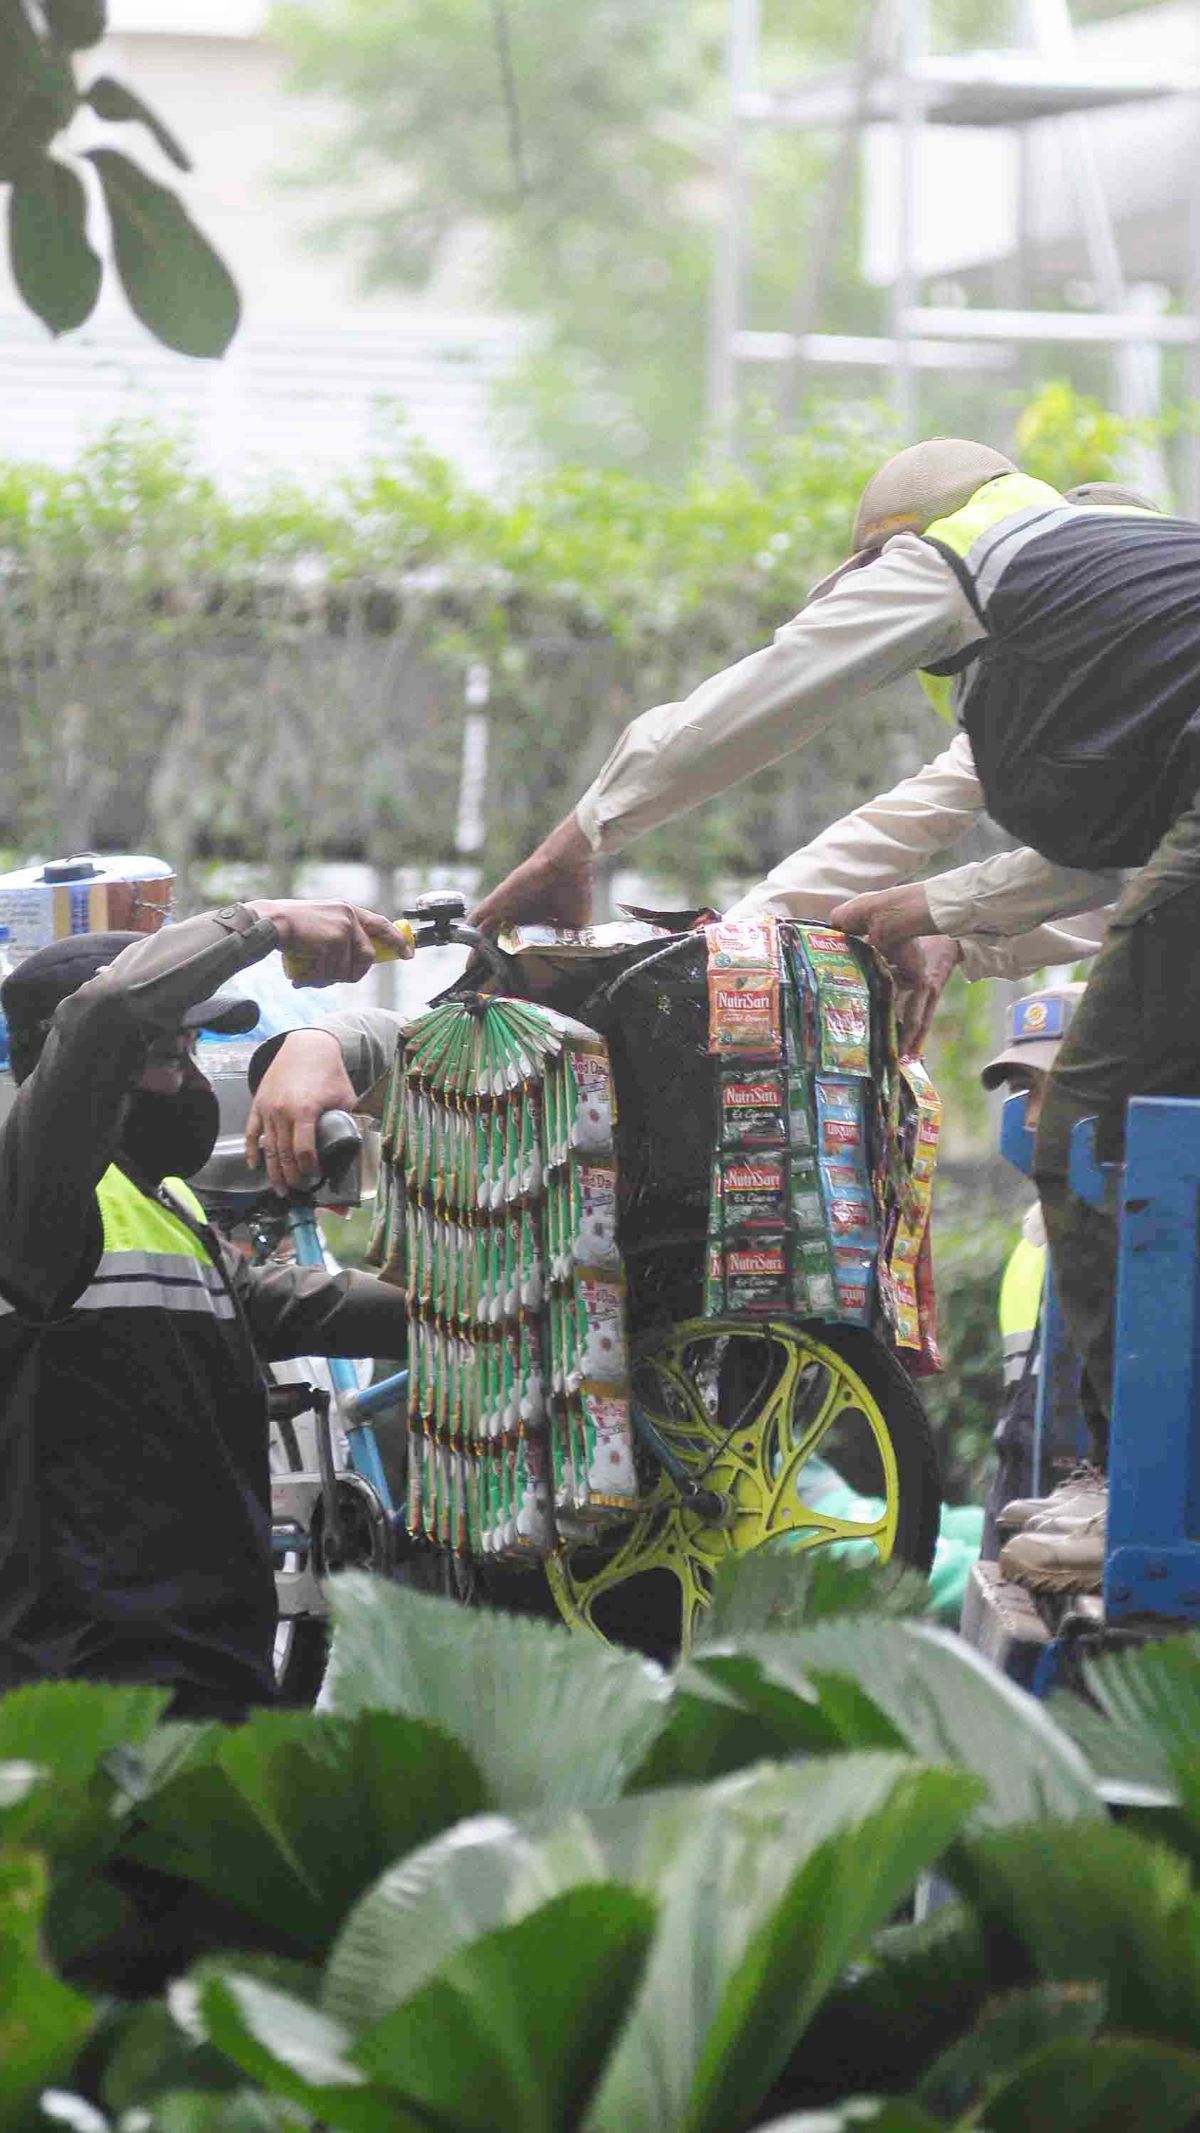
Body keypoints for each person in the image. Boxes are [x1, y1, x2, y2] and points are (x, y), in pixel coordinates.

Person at [468, 439, 1200, 1551]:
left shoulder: (968, 552)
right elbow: (1049, 856)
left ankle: (1146, 1502)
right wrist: (798, 933)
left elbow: (762, 698)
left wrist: (586, 835)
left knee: (1089, 1131)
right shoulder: (1121, 618)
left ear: (887, 555)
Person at [0, 898, 413, 1719]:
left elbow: (257, 1300)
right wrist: (266, 922)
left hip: (207, 1652)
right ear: (85, 1072)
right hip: (91, 1679)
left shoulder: (162, 1197)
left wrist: (443, 1309)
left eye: (192, 1050)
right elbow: (106, 1013)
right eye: (166, 1053)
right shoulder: (36, 1203)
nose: (189, 1080)